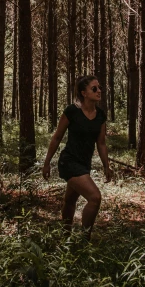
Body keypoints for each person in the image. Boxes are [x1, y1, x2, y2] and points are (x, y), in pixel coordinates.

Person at [42, 75, 112, 239]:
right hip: (69, 162)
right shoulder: (72, 111)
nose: (99, 91)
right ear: (84, 93)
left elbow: (101, 143)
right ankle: (85, 240)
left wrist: (106, 166)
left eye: (99, 87)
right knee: (95, 198)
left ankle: (65, 236)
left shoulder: (100, 115)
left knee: (70, 200)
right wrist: (47, 163)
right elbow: (57, 137)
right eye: (94, 88)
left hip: (84, 163)